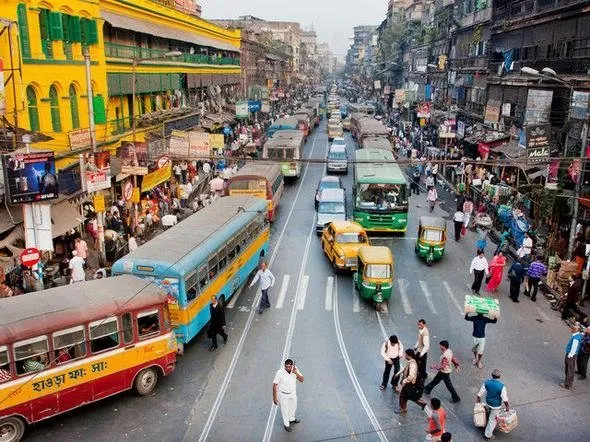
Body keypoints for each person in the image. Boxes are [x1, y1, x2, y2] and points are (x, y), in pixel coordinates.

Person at [476, 369, 510, 440]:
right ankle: (487, 435)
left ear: (492, 375)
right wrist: (507, 406)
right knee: (493, 420)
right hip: (496, 406)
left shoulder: (487, 383)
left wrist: (478, 398)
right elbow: (504, 398)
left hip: (488, 402)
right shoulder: (501, 386)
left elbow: (481, 392)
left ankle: (484, 424)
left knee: (487, 413)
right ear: (500, 376)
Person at [273, 359, 304, 432]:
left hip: (293, 393)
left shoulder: (295, 370)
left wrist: (296, 373)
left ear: (292, 366)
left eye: (289, 367)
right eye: (286, 366)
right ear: (284, 366)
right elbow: (274, 385)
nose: (288, 368)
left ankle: (292, 419)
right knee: (285, 410)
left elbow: (302, 380)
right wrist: (275, 398)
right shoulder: (279, 372)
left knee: (293, 407)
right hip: (283, 395)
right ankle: (286, 425)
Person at [394, 349, 424, 414]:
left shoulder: (412, 364)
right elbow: (405, 368)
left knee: (403, 396)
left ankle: (403, 409)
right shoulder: (410, 362)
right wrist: (398, 373)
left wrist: (404, 381)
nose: (405, 356)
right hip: (408, 383)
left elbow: (411, 376)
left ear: (409, 355)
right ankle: (420, 403)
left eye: (406, 354)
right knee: (407, 396)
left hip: (409, 383)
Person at [561, 323, 583, 390]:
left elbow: (574, 348)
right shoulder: (578, 335)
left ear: (577, 330)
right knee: (571, 368)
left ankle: (567, 384)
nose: (571, 329)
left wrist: (569, 355)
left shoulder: (575, 338)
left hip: (571, 355)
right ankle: (569, 382)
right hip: (573, 355)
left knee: (569, 369)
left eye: (573, 328)